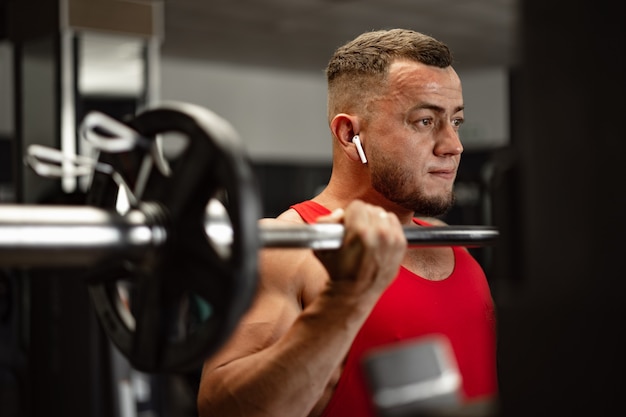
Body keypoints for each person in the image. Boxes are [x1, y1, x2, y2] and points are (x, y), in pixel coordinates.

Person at [197, 28, 498, 417]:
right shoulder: (286, 247)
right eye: (425, 121)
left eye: (454, 122)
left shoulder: (448, 243)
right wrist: (344, 300)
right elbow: (223, 411)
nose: (452, 145)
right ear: (349, 133)